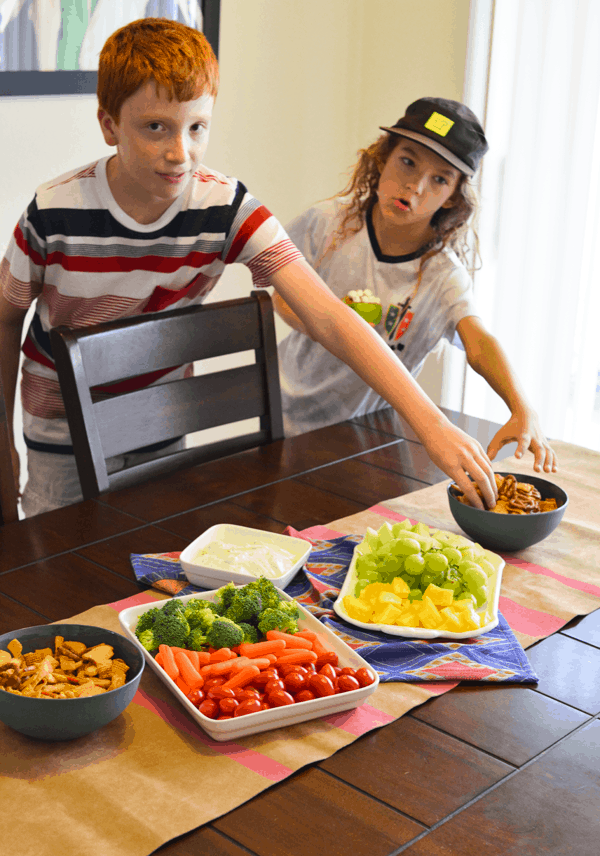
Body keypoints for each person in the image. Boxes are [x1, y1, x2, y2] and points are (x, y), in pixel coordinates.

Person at [0, 23, 499, 518]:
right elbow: (5, 320)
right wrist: (2, 449)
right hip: (58, 426)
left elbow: (326, 314)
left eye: (197, 128)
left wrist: (431, 425)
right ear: (109, 125)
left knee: (152, 564)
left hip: (159, 419)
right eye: (156, 127)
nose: (181, 153)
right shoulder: (52, 211)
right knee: (54, 567)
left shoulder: (227, 207)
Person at [274, 97, 556, 475]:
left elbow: (480, 343)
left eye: (439, 179)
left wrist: (523, 408)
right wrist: (334, 326)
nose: (415, 186)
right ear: (382, 157)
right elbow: (280, 295)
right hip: (281, 415)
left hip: (363, 440)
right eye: (407, 162)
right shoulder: (327, 223)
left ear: (453, 196)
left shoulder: (442, 276)